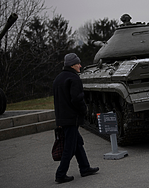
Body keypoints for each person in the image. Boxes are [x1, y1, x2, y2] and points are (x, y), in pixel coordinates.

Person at [53, 53, 99, 184]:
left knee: (77, 142)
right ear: (73, 65)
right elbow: (77, 99)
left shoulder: (58, 79)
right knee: (70, 147)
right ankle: (60, 174)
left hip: (63, 118)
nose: (80, 65)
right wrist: (84, 110)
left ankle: (85, 168)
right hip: (71, 118)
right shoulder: (74, 78)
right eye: (78, 63)